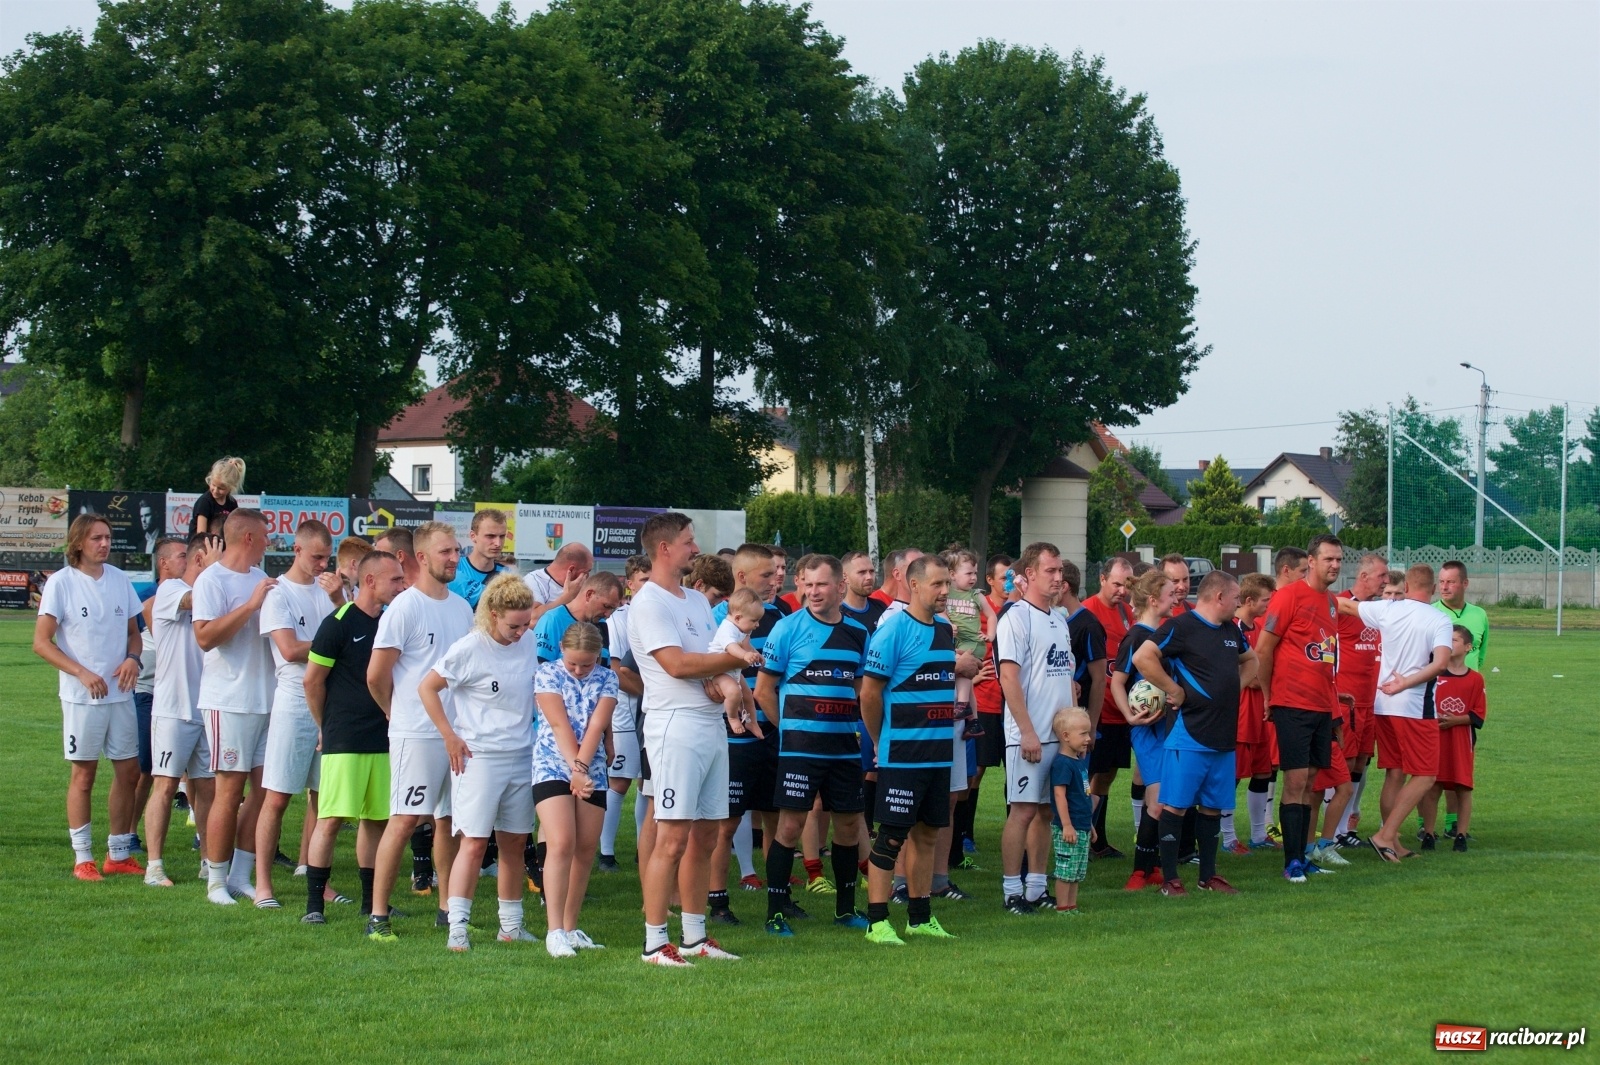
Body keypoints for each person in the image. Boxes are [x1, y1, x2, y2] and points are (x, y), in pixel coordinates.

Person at [628, 512, 749, 966]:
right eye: (687, 541)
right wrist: (728, 665)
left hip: (708, 723)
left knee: (706, 836)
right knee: (672, 836)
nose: (694, 548)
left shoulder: (697, 602)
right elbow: (676, 665)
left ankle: (695, 937)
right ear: (664, 549)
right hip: (673, 725)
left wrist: (724, 678)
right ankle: (655, 943)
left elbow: (709, 664)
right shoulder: (649, 602)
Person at [412, 574, 539, 951]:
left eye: (526, 623)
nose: (521, 632)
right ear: (493, 614)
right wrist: (449, 734)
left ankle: (511, 926)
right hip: (480, 758)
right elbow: (427, 687)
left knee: (515, 842)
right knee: (474, 842)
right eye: (513, 625)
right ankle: (458, 927)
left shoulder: (529, 641)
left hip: (522, 753)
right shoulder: (470, 647)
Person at [754, 554, 872, 936]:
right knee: (790, 825)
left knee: (850, 825)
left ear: (840, 587)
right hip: (800, 749)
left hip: (844, 747)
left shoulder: (858, 633)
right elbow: (763, 690)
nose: (813, 591)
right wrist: (789, 729)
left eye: (821, 584)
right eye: (807, 583)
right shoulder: (787, 629)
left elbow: (858, 689)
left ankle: (844, 909)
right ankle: (775, 912)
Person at [367, 521, 475, 932]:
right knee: (406, 819)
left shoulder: (462, 607)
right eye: (446, 551)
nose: (454, 558)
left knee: (449, 821)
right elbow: (377, 675)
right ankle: (378, 914)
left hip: (456, 732)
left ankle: (448, 910)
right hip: (416, 731)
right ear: (422, 558)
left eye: (456, 550)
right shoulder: (405, 607)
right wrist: (395, 715)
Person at [34, 514, 146, 880]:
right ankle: (83, 857)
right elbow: (40, 643)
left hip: (120, 694)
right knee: (84, 775)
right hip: (83, 698)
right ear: (79, 542)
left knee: (129, 772)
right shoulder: (62, 583)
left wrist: (132, 658)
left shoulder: (119, 580)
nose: (105, 543)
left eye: (108, 537)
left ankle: (118, 853)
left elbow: (134, 634)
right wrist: (81, 672)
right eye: (97, 538)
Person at [1133, 571, 1256, 896]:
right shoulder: (1181, 627)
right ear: (1219, 597)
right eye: (1235, 598)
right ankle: (1171, 879)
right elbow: (1142, 657)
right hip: (1188, 733)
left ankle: (1208, 876)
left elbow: (1251, 660)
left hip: (1222, 736)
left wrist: (1233, 689)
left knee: (1214, 807)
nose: (1238, 605)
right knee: (1175, 806)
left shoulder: (1232, 630)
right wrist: (1173, 689)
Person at [300, 551, 406, 928]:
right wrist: (325, 726)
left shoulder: (395, 622)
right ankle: (314, 904)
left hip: (388, 736)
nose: (402, 584)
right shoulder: (339, 623)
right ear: (371, 581)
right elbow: (311, 681)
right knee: (330, 820)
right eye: (395, 579)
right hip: (345, 736)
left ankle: (371, 903)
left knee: (377, 821)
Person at [859, 555, 960, 945]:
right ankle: (877, 922)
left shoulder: (944, 630)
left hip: (938, 752)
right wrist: (881, 738)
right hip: (903, 752)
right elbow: (870, 693)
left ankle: (919, 917)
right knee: (891, 837)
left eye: (947, 583)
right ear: (914, 585)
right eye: (937, 584)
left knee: (928, 836)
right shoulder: (893, 629)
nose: (945, 591)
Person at [1334, 563, 1452, 864]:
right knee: (1425, 775)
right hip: (1413, 705)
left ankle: (1393, 842)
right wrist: (1405, 683)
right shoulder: (1440, 619)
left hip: (1382, 704)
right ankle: (1386, 835)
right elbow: (1440, 664)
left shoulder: (1388, 609)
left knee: (1395, 773)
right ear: (1434, 589)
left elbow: (1345, 604)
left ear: (1408, 587)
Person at [191, 508, 276, 904]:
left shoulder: (263, 580)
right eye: (265, 535)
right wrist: (250, 606)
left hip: (266, 700)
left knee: (263, 791)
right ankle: (215, 879)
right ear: (247, 538)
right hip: (228, 701)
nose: (269, 542)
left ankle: (242, 874)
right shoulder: (212, 580)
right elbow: (205, 637)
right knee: (229, 790)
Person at [254, 520, 341, 908]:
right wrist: (329, 643)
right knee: (276, 796)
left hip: (329, 698)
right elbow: (288, 650)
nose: (323, 565)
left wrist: (341, 601)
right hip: (292, 698)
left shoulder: (331, 591)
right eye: (316, 556)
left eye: (327, 557)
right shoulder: (279, 593)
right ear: (297, 550)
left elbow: (357, 633)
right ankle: (262, 885)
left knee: (324, 797)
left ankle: (316, 877)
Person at [1253, 534, 1343, 884]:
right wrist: (1267, 696)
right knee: (1294, 780)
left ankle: (1304, 857)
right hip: (1292, 703)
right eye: (1328, 559)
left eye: (1338, 559)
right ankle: (1291, 862)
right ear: (1312, 560)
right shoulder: (1288, 597)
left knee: (1310, 783)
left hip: (1321, 706)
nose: (1334, 565)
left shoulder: (1332, 602)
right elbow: (1263, 649)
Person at [995, 542, 1075, 915]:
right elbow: (1008, 677)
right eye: (1051, 571)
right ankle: (1012, 888)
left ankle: (1037, 887)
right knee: (1023, 811)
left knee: (1046, 812)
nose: (1058, 577)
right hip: (1028, 736)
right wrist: (1026, 731)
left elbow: (1064, 675)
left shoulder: (1059, 617)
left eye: (1060, 571)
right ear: (1029, 575)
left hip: (1059, 737)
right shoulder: (1016, 618)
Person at [707, 544, 785, 923]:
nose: (775, 580)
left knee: (775, 817)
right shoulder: (715, 619)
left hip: (772, 731)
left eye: (775, 573)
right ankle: (718, 901)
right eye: (766, 575)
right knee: (727, 823)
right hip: (730, 738)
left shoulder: (780, 614)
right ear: (741, 578)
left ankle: (778, 897)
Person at [533, 621, 619, 957]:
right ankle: (554, 931)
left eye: (587, 663)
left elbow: (598, 724)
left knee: (585, 848)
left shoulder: (608, 678)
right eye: (573, 663)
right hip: (550, 764)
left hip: (592, 767)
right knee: (561, 842)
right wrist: (574, 769)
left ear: (599, 655)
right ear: (561, 654)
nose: (580, 670)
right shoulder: (547, 674)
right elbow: (557, 723)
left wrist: (582, 770)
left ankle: (570, 927)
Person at [143, 535, 218, 887]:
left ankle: (207, 859)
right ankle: (154, 866)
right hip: (174, 707)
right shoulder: (171, 590)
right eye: (181, 556)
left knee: (207, 789)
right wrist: (214, 570)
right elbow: (195, 598)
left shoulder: (207, 586)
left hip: (207, 705)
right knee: (165, 784)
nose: (188, 560)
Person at [1110, 568, 1179, 890]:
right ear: (1154, 600)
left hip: (1166, 726)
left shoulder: (1166, 633)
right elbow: (1118, 682)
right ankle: (1139, 871)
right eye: (1170, 591)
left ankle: (1150, 867)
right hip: (1146, 730)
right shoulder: (1136, 636)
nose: (1177, 594)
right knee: (1157, 802)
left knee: (1164, 799)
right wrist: (1130, 716)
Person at [599, 554, 651, 873]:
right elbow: (617, 671)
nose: (650, 586)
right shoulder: (618, 619)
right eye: (644, 580)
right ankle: (605, 853)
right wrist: (655, 692)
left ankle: (643, 848)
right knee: (619, 782)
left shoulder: (657, 613)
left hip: (649, 711)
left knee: (649, 782)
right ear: (629, 584)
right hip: (625, 712)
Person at [1332, 554, 1388, 847]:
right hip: (1347, 698)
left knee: (1361, 763)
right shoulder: (1340, 604)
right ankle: (1334, 831)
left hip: (1371, 700)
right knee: (1344, 761)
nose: (1386, 580)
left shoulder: (1377, 610)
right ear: (1364, 577)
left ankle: (1344, 830)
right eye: (1381, 576)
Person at [1083, 556, 1134, 855]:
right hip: (1098, 710)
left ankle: (1098, 839)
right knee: (1093, 774)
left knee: (1109, 774)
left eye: (1126, 585)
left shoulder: (1127, 611)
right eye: (1116, 584)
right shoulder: (1089, 611)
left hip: (1121, 709)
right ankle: (1083, 836)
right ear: (1102, 579)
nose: (1122, 591)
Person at [1433, 559, 1488, 838]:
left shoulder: (1479, 615)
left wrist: (1474, 685)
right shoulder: (1429, 613)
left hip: (1467, 699)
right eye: (1441, 581)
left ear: (1464, 584)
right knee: (1431, 770)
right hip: (1437, 698)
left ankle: (1452, 824)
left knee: (1459, 768)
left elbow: (1481, 653)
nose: (1445, 586)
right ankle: (1424, 827)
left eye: (1451, 581)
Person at [1058, 560, 1108, 856]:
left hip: (1078, 723)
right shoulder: (1053, 619)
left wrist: (1091, 726)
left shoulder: (1088, 624)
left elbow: (1099, 678)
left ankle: (1082, 841)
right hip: (1057, 719)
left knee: (1079, 786)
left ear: (1065, 586)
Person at [1423, 625, 1486, 852]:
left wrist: (1455, 721)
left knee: (1463, 787)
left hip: (1461, 740)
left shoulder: (1475, 680)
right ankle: (1428, 833)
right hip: (1434, 739)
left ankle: (1461, 834)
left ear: (1468, 648)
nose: (1450, 644)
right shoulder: (1433, 674)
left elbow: (1478, 715)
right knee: (1432, 786)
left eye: (1455, 640)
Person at [1233, 573, 1278, 851]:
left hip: (1262, 710)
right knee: (1233, 775)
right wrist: (1261, 679)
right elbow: (1244, 676)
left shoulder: (1260, 626)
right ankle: (1227, 837)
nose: (1268, 605)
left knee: (1264, 771)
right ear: (1249, 601)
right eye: (1265, 600)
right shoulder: (1233, 628)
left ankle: (1259, 834)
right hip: (1241, 713)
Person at [1048, 707, 1094, 915]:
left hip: (1082, 825)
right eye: (1083, 734)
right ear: (1065, 736)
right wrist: (1066, 824)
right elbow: (1060, 796)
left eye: (1088, 733)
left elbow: (1084, 797)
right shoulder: (1062, 764)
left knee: (1077, 871)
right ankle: (1062, 907)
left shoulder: (1079, 762)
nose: (1088, 738)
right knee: (1065, 870)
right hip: (1069, 827)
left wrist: (1089, 824)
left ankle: (1072, 906)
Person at [708, 589, 767, 738]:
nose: (758, 625)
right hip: (718, 671)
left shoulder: (742, 627)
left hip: (732, 669)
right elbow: (731, 647)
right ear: (738, 617)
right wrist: (745, 655)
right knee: (734, 693)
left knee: (747, 695)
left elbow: (747, 645)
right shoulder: (726, 629)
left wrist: (756, 654)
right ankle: (733, 718)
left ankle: (751, 722)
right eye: (754, 621)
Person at [532, 570, 622, 665]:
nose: (608, 614)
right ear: (589, 595)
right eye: (606, 606)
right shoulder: (552, 620)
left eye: (612, 609)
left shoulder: (602, 624)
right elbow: (540, 670)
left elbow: (605, 669)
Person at [447, 508, 508, 608]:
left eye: (502, 536)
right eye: (490, 536)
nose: (498, 543)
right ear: (473, 536)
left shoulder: (507, 575)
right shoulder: (453, 568)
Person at [524, 542, 595, 622]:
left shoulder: (582, 586)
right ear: (571, 570)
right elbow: (532, 618)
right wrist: (566, 598)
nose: (587, 576)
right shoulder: (533, 581)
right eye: (586, 571)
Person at [192, 456, 245, 536]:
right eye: (213, 485)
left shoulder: (232, 503)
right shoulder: (205, 502)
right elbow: (201, 535)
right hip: (201, 545)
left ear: (231, 487)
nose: (215, 490)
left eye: (221, 488)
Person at [840, 550, 889, 633]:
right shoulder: (836, 614)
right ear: (845, 577)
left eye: (871, 571)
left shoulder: (881, 607)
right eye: (862, 572)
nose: (869, 577)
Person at [334, 537, 372, 604]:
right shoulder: (325, 591)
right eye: (367, 564)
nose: (371, 569)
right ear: (354, 564)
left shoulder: (361, 596)